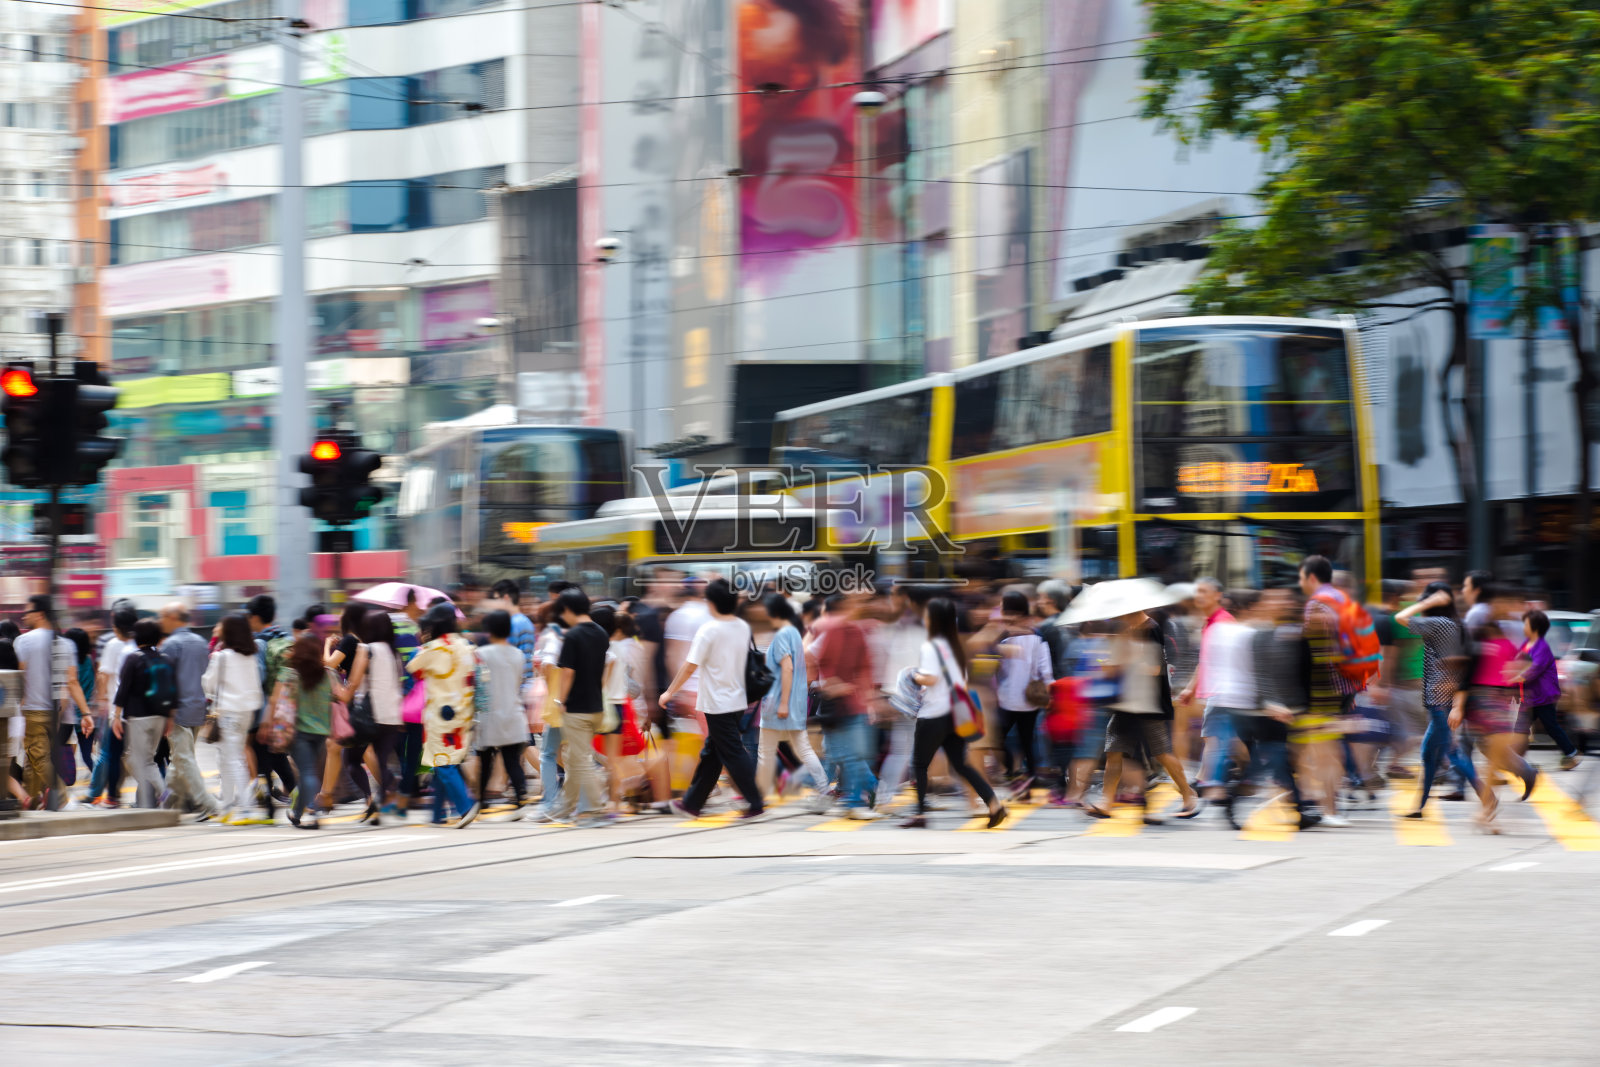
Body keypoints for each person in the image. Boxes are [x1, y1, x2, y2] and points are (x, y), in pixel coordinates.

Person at [661, 578, 765, 820]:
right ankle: (692, 804)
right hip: (737, 698)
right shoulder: (742, 625)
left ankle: (755, 801)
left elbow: (689, 665)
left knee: (732, 752)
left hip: (717, 702)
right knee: (712, 754)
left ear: (712, 602)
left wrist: (669, 692)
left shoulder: (709, 629)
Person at [1089, 610, 1203, 822]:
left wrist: (1125, 661)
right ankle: (1106, 801)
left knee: (1161, 752)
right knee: (1114, 749)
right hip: (1126, 702)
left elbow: (1154, 669)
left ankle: (1188, 794)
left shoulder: (1151, 629)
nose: (1119, 616)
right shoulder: (1128, 629)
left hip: (1147, 703)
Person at [900, 597, 1005, 829]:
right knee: (961, 764)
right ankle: (995, 804)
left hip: (933, 713)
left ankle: (919, 815)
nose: (924, 619)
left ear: (934, 619)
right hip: (955, 714)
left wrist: (911, 675)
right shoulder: (954, 646)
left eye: (928, 615)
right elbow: (961, 681)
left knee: (918, 764)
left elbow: (931, 678)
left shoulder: (930, 646)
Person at [1229, 588, 1318, 831]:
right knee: (1273, 756)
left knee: (1278, 759)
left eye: (1285, 598)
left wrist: (1303, 706)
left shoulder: (1293, 630)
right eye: (1275, 598)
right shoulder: (1260, 632)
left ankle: (1297, 809)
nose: (1283, 602)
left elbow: (1300, 672)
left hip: (1289, 708)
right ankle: (1297, 809)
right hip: (1264, 710)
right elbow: (1260, 673)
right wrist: (1271, 703)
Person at [1394, 581, 1482, 817]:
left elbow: (1400, 617)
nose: (1422, 604)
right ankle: (1420, 807)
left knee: (1451, 754)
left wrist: (1428, 602)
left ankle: (1488, 797)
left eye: (1426, 599)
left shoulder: (1438, 623)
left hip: (1440, 702)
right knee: (1427, 753)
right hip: (1442, 702)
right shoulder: (1455, 623)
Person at [329, 611, 407, 823]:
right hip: (392, 716)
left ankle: (379, 797)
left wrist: (340, 691)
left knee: (351, 760)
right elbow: (397, 684)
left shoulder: (366, 648)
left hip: (370, 716)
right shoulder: (395, 653)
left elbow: (352, 684)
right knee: (380, 763)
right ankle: (384, 800)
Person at [407, 603, 480, 826]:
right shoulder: (465, 645)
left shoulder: (434, 648)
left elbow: (413, 669)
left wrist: (423, 644)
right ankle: (438, 813)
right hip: (463, 711)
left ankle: (466, 806)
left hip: (441, 713)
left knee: (442, 761)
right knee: (447, 760)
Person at [16, 595, 90, 809]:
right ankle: (31, 801)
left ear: (40, 614)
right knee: (33, 759)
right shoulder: (65, 643)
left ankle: (63, 798)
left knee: (38, 758)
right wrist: (85, 713)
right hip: (57, 712)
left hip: (33, 710)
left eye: (28, 612)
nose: (24, 616)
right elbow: (73, 681)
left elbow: (20, 676)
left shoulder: (24, 641)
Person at [543, 588, 610, 825]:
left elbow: (567, 674)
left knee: (580, 761)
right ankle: (565, 806)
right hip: (595, 707)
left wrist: (560, 700)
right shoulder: (602, 633)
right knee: (575, 757)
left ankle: (594, 810)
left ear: (568, 610)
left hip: (577, 709)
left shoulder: (573, 636)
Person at [756, 592, 828, 807]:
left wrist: (783, 703)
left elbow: (786, 668)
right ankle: (824, 788)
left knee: (765, 752)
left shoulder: (781, 636)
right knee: (803, 749)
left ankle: (757, 797)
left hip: (779, 701)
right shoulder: (795, 634)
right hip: (794, 701)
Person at [810, 594, 880, 819]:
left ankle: (857, 798)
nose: (860, 606)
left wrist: (868, 698)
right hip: (837, 704)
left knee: (849, 755)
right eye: (855, 603)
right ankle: (868, 793)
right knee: (844, 754)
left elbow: (865, 667)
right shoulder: (832, 628)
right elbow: (814, 657)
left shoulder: (855, 630)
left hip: (850, 703)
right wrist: (829, 683)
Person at [158, 601, 223, 820]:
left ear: (174, 618)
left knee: (183, 758)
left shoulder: (170, 645)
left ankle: (208, 804)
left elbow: (166, 684)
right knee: (180, 759)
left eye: (163, 616)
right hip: (198, 708)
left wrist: (166, 712)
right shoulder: (200, 643)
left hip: (177, 712)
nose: (160, 621)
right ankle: (167, 805)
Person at [989, 590, 1053, 802]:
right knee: (1027, 741)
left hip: (1006, 696)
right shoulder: (1037, 636)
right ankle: (1029, 780)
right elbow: (1046, 670)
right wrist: (1049, 690)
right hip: (1030, 698)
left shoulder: (1002, 635)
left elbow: (992, 667)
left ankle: (1013, 774)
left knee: (997, 738)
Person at [201, 614, 263, 822]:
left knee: (233, 758)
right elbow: (256, 685)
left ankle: (246, 808)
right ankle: (227, 807)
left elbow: (208, 684)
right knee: (226, 758)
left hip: (228, 712)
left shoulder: (222, 656)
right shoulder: (251, 656)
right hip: (247, 712)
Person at [269, 633, 334, 829]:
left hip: (298, 732)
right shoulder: (328, 674)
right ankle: (296, 813)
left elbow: (275, 701)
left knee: (306, 773)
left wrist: (269, 724)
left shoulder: (289, 674)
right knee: (309, 772)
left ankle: (312, 813)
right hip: (321, 731)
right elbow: (337, 698)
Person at [112, 619, 175, 810]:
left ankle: (157, 794)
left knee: (133, 759)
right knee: (148, 760)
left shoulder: (133, 658)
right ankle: (160, 795)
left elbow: (123, 689)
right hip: (161, 716)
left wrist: (116, 716)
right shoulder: (166, 659)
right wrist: (170, 718)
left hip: (138, 717)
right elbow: (173, 690)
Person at [474, 609, 531, 816]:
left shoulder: (482, 654)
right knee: (511, 760)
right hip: (514, 713)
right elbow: (518, 682)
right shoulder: (518, 655)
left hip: (490, 715)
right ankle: (521, 796)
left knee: (485, 761)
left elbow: (478, 685)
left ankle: (479, 801)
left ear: (489, 630)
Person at [247, 594, 297, 819]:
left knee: (263, 752)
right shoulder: (285, 637)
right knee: (275, 753)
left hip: (267, 706)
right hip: (290, 705)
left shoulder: (259, 643)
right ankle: (290, 795)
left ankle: (276, 799)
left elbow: (259, 677)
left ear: (255, 617)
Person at [1514, 610, 1580, 771]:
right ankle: (1515, 759)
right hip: (1529, 697)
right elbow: (1518, 662)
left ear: (1534, 628)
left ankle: (1571, 753)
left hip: (1543, 696)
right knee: (1520, 728)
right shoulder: (1526, 644)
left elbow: (1535, 669)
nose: (1523, 627)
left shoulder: (1542, 646)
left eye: (1526, 624)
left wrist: (1518, 677)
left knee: (1550, 726)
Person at [88, 604, 138, 808]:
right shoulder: (140, 644)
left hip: (116, 709)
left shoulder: (114, 645)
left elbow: (103, 675)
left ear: (116, 627)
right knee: (145, 756)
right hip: (140, 709)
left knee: (110, 753)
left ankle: (108, 795)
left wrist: (100, 701)